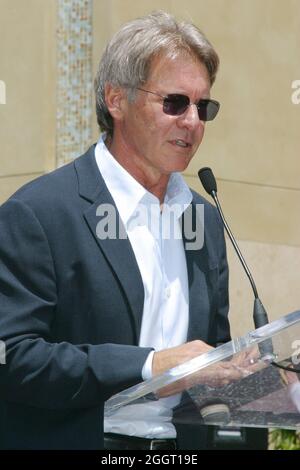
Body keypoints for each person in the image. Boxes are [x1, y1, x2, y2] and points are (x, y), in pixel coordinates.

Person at [0, 11, 231, 450]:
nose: (193, 122)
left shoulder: (204, 218)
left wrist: (262, 378)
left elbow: (210, 355)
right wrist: (149, 365)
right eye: (175, 102)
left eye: (204, 107)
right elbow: (13, 357)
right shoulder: (40, 213)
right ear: (116, 100)